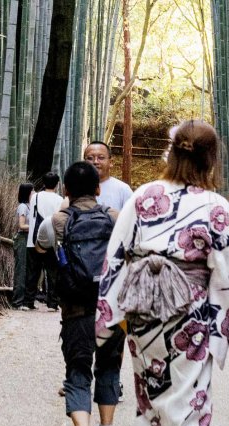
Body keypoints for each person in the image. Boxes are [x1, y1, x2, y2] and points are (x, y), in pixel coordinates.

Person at [96, 120, 229, 426]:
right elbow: (227, 275)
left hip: (145, 315)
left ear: (172, 153)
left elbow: (116, 255)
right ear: (211, 158)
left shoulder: (142, 197)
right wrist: (220, 331)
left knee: (149, 403)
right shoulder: (217, 207)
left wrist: (110, 317)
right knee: (188, 409)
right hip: (190, 316)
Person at [52, 162, 124, 426]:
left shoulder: (58, 220)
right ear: (98, 188)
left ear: (65, 190)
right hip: (111, 311)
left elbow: (44, 249)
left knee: (78, 369)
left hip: (76, 309)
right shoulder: (116, 218)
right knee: (109, 369)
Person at [83, 140, 134, 400]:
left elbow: (133, 229)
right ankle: (82, 377)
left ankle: (113, 379)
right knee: (83, 328)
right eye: (90, 157)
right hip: (84, 270)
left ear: (110, 161)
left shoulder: (123, 190)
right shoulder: (77, 185)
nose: (95, 161)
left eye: (100, 157)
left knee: (115, 329)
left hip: (116, 270)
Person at [25, 173, 63, 311]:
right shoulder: (60, 199)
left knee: (32, 272)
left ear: (43, 183)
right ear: (57, 184)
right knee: (52, 273)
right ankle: (52, 303)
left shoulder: (35, 196)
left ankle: (28, 302)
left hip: (33, 239)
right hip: (52, 240)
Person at [12, 182, 33, 309]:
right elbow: (21, 225)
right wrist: (35, 227)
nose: (34, 193)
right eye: (32, 191)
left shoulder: (30, 206)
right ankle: (17, 302)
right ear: (27, 193)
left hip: (28, 238)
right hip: (22, 238)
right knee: (21, 270)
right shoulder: (23, 207)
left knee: (28, 270)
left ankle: (26, 300)